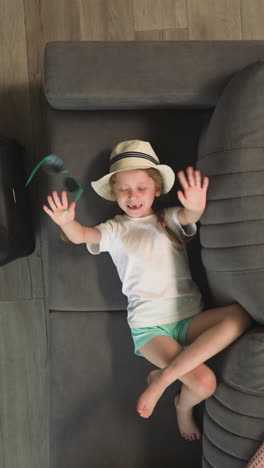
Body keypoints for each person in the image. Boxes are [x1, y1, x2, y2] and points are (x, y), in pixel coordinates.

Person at [43, 139, 252, 441]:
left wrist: (196, 205)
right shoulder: (114, 229)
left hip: (189, 318)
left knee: (240, 316)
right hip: (150, 328)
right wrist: (67, 223)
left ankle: (164, 380)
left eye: (141, 188)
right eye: (124, 190)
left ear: (156, 189)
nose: (133, 196)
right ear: (114, 193)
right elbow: (82, 236)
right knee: (204, 384)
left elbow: (190, 216)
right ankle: (182, 404)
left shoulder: (167, 220)